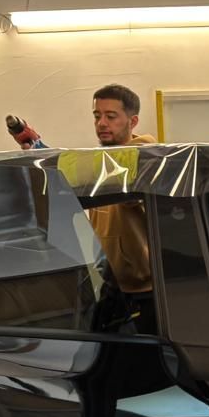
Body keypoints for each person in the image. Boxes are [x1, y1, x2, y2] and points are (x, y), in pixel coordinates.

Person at [87, 84, 158, 335]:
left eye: (111, 116)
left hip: (144, 290)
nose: (102, 123)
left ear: (133, 120)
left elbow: (124, 180)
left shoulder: (144, 158)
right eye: (97, 116)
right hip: (108, 286)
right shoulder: (102, 164)